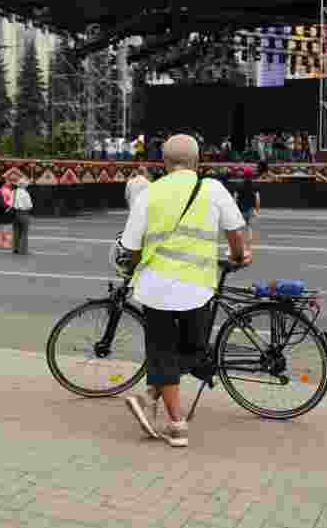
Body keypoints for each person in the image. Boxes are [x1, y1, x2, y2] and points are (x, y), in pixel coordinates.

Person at [120, 134, 251, 447]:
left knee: (163, 352)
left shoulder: (148, 194)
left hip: (155, 289)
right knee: (194, 350)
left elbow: (131, 246)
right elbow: (235, 229)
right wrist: (236, 256)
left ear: (164, 164)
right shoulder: (213, 188)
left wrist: (139, 264)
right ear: (198, 161)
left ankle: (161, 406)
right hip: (198, 288)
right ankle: (173, 420)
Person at [232, 167, 261, 246]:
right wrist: (257, 210)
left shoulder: (238, 185)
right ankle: (248, 244)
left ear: (243, 175)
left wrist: (234, 210)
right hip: (251, 209)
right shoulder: (255, 185)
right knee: (249, 226)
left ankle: (240, 243)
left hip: (240, 210)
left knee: (240, 227)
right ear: (251, 175)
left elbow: (234, 199)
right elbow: (257, 199)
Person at [9, 176, 33, 255]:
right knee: (24, 232)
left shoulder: (13, 192)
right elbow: (29, 206)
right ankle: (23, 250)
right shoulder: (26, 193)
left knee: (16, 232)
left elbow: (10, 204)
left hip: (14, 213)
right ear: (24, 185)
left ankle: (15, 249)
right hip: (23, 213)